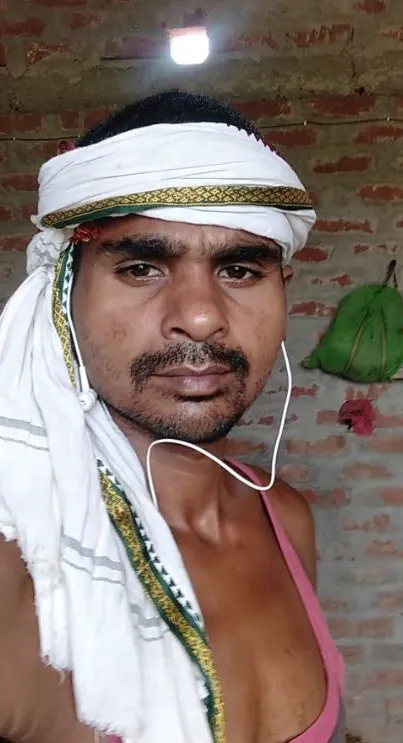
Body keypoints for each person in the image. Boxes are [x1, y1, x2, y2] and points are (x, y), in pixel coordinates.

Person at [0, 90, 344, 743]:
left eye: (239, 269)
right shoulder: (21, 572)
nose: (200, 314)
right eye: (141, 266)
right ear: (63, 293)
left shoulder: (284, 521)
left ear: (282, 292)